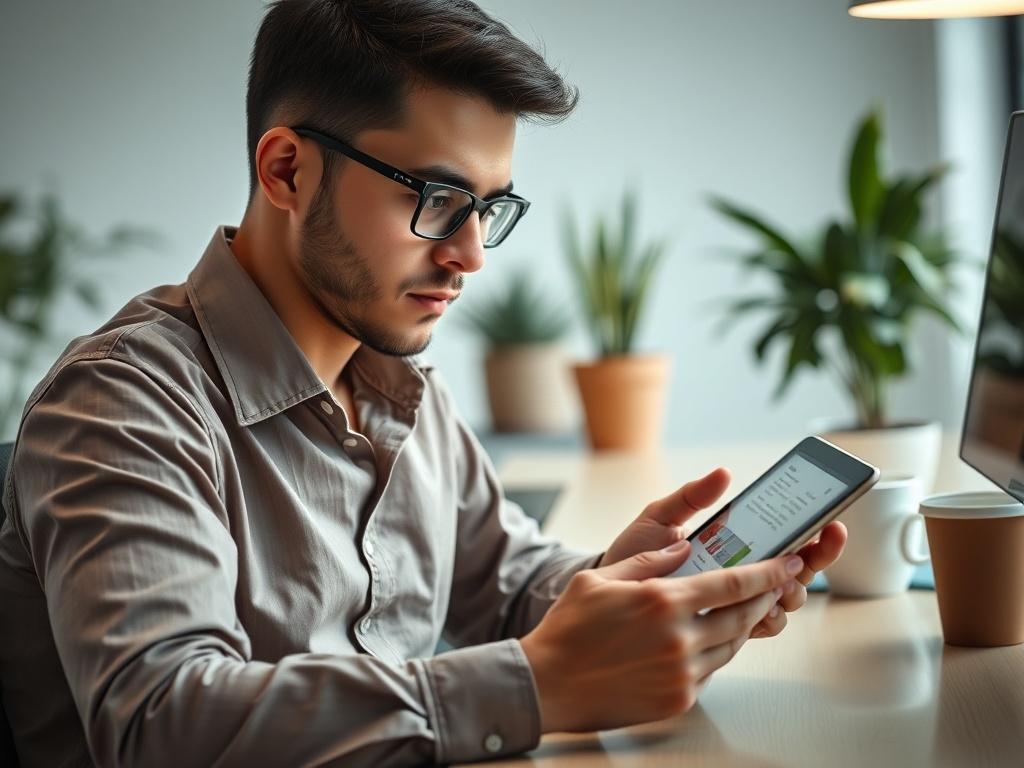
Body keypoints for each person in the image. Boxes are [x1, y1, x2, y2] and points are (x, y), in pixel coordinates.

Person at [0, 1, 847, 766]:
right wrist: (537, 685)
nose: (471, 254)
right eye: (438, 198)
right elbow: (160, 724)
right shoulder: (122, 403)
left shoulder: (399, 384)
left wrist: (642, 589)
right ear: (287, 170)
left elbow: (509, 585)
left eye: (489, 208)